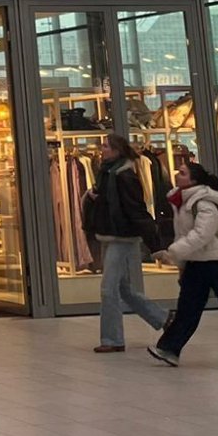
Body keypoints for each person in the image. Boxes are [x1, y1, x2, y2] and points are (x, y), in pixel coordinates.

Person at [149, 160, 218, 369]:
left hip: (215, 263)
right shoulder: (182, 202)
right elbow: (186, 235)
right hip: (196, 262)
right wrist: (181, 264)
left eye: (182, 173)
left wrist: (173, 252)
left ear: (193, 180)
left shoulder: (203, 203)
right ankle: (169, 349)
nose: (177, 175)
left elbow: (202, 235)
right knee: (187, 309)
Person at [82, 133, 168, 354]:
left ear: (117, 150)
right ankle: (164, 319)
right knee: (124, 289)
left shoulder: (124, 175)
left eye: (106, 146)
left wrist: (154, 244)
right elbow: (111, 203)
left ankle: (112, 339)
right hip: (110, 234)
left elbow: (136, 210)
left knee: (108, 288)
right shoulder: (107, 173)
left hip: (122, 237)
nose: (102, 150)